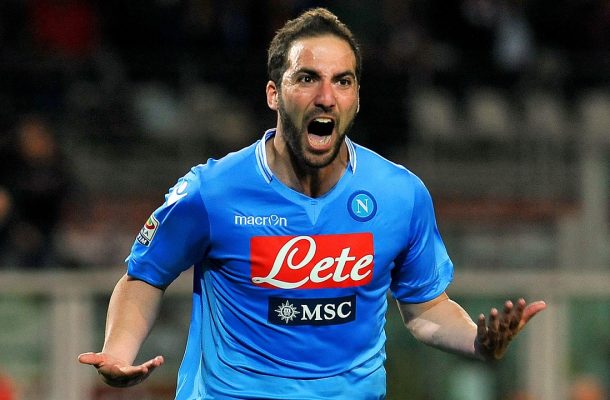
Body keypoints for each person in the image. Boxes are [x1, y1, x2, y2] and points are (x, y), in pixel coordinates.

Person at [78, 8, 546, 399]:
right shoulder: (212, 191)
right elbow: (144, 277)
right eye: (307, 78)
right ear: (273, 93)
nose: (326, 96)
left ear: (357, 98)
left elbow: (426, 309)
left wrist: (478, 342)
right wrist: (118, 351)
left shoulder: (400, 195)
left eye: (342, 82)